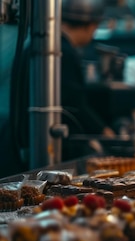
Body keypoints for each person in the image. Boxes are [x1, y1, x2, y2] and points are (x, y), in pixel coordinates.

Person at [9, 0, 114, 167]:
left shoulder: (36, 46)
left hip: (25, 142)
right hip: (48, 147)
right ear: (91, 26)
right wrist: (104, 131)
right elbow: (75, 103)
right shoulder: (59, 51)